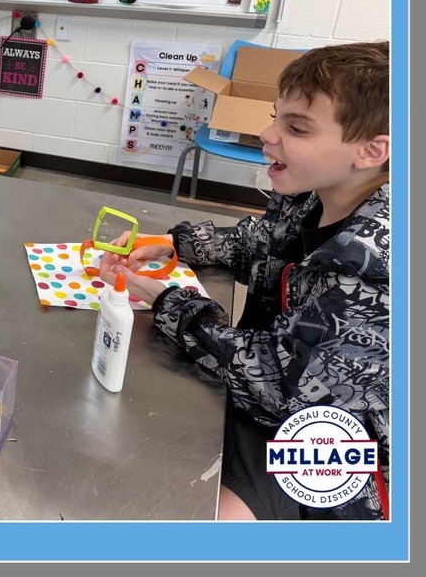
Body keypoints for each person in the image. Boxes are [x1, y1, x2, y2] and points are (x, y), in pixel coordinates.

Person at [99, 41, 390, 521]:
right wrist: (176, 244)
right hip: (274, 389)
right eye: (276, 116)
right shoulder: (315, 192)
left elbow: (279, 381)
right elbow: (264, 242)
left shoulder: (379, 263)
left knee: (218, 513)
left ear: (371, 150)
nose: (266, 134)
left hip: (339, 439)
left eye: (295, 128)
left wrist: (170, 301)